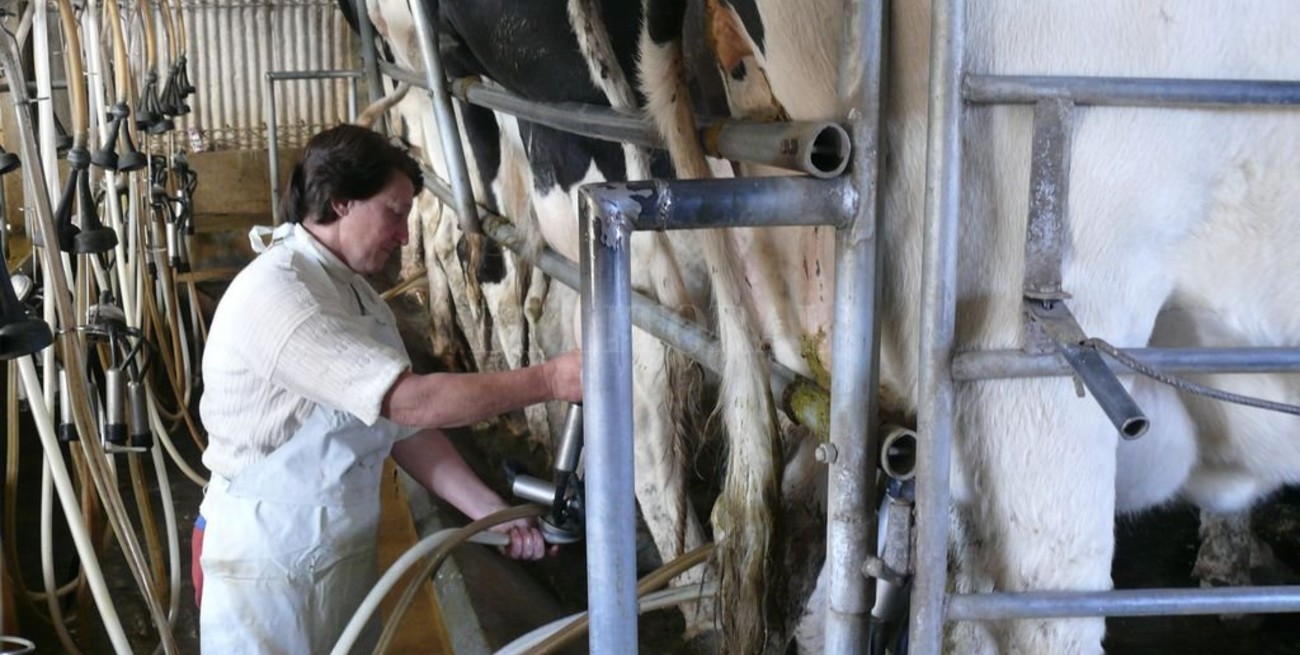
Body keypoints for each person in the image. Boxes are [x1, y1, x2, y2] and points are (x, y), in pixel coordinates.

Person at [193, 124, 582, 654]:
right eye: (394, 213)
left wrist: (489, 513)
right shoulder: (281, 293)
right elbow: (411, 399)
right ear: (340, 203)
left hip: (337, 556)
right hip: (266, 568)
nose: (404, 235)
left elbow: (403, 428)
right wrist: (550, 379)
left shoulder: (355, 294)